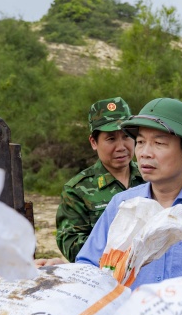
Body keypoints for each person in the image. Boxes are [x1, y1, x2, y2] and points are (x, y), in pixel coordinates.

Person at [76, 97, 182, 288]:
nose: (144, 153)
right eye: (140, 142)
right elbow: (87, 268)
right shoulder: (122, 205)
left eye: (159, 143)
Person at [55, 97, 144, 261]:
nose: (121, 147)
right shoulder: (77, 190)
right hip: (104, 276)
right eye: (111, 139)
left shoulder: (150, 178)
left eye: (126, 136)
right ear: (93, 142)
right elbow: (72, 246)